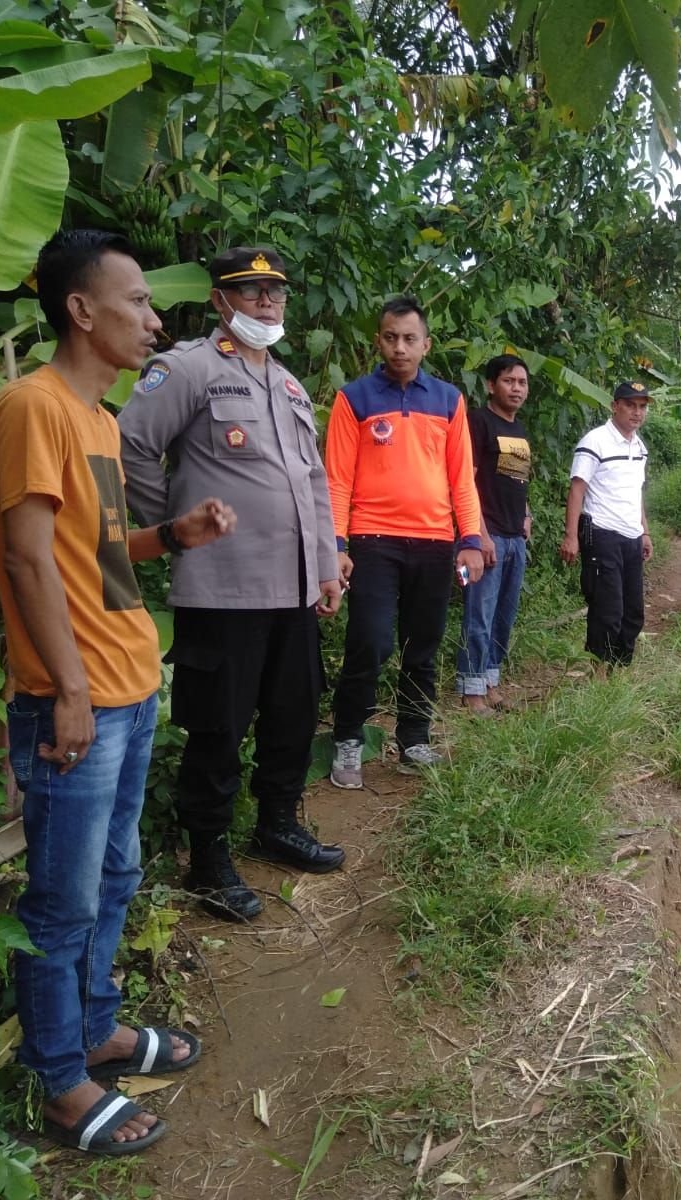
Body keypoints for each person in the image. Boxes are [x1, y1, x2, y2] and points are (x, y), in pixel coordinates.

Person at [0, 230, 236, 1154]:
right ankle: (60, 1079)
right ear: (80, 310)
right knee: (61, 899)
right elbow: (27, 556)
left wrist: (174, 537)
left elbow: (94, 554)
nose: (153, 317)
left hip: (127, 686)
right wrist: (70, 689)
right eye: (137, 301)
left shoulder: (97, 420)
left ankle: (96, 1027)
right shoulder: (32, 407)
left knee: (114, 876)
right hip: (76, 698)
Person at [118, 247, 345, 924]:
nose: (267, 304)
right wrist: (171, 525)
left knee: (292, 716)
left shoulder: (290, 385)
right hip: (224, 590)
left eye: (275, 293)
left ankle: (276, 822)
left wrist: (328, 565)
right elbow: (131, 445)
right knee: (217, 729)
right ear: (221, 301)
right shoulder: (187, 369)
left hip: (296, 589)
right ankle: (208, 857)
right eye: (250, 293)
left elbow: (312, 481)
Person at [325, 296, 485, 787]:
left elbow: (462, 479)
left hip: (435, 542)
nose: (400, 347)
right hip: (373, 540)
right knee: (369, 642)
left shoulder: (448, 400)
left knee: (423, 645)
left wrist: (471, 538)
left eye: (410, 339)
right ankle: (348, 739)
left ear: (426, 344)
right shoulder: (354, 399)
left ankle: (413, 739)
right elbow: (336, 480)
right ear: (379, 341)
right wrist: (335, 544)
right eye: (391, 337)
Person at [456, 355, 533, 714]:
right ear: (491, 385)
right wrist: (479, 535)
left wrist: (527, 514)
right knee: (479, 615)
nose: (516, 388)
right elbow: (466, 482)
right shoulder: (478, 422)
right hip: (487, 536)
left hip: (515, 537)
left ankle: (490, 681)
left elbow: (517, 479)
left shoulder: (518, 430)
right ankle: (471, 690)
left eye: (521, 382)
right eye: (508, 381)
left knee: (504, 614)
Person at [560, 381, 654, 669]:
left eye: (642, 407)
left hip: (631, 537)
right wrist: (571, 536)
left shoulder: (639, 446)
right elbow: (577, 489)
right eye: (630, 405)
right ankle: (597, 672)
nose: (636, 412)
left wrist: (645, 532)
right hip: (602, 535)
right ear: (615, 406)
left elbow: (635, 491)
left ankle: (618, 670)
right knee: (607, 611)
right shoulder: (595, 441)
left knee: (633, 612)